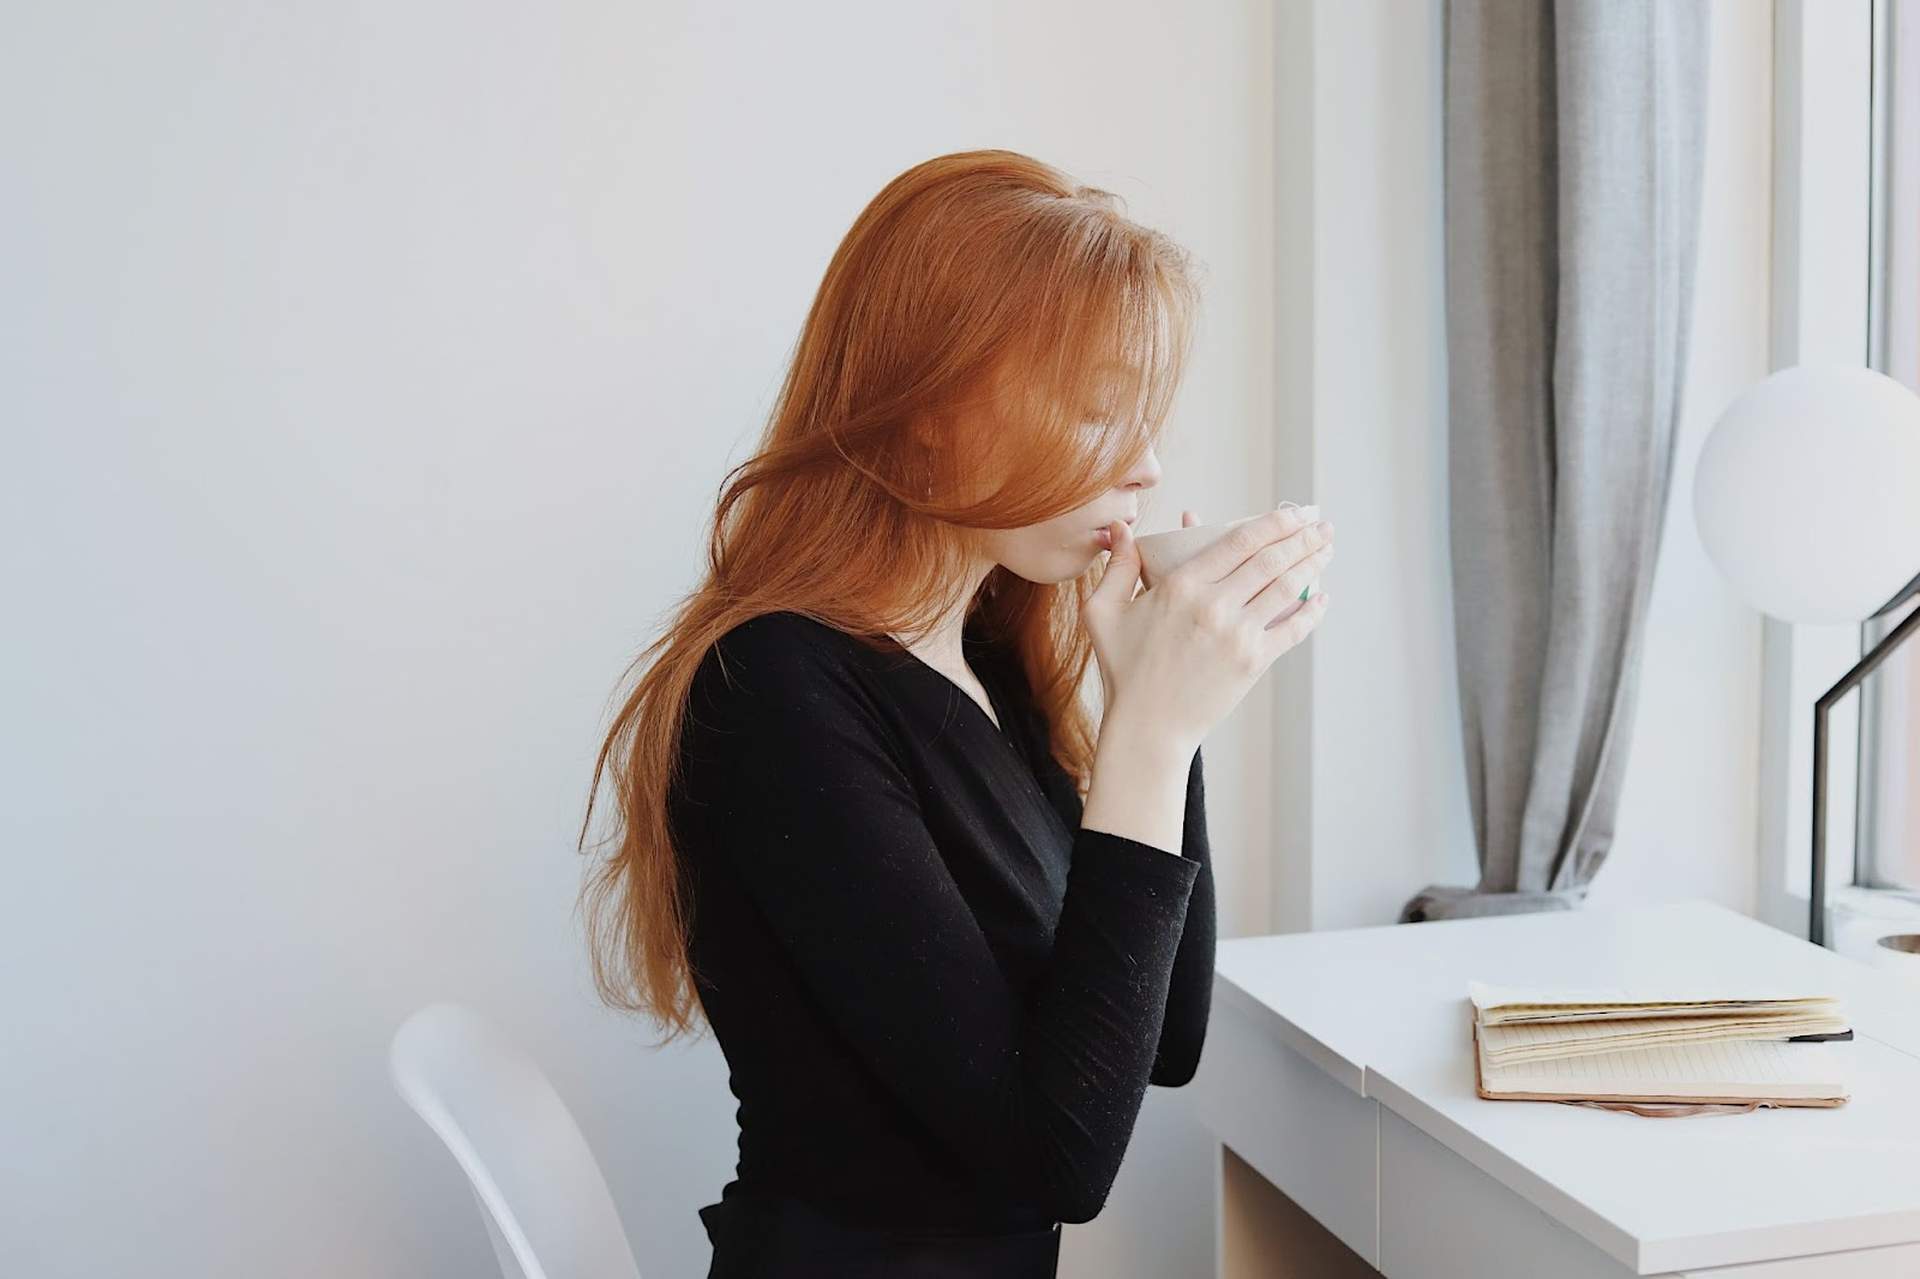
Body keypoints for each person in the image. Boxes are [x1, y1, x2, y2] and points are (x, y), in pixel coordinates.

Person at [577, 149, 1335, 1278]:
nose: (1148, 464)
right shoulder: (775, 688)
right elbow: (1056, 1159)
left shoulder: (987, 663)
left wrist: (1161, 702)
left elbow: (1163, 1042)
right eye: (1097, 410)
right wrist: (1154, 734)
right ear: (929, 411)